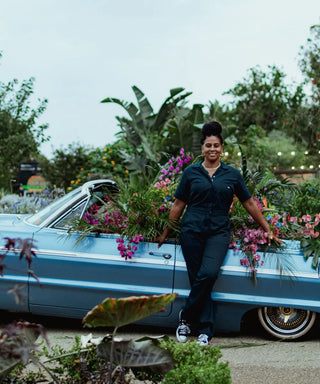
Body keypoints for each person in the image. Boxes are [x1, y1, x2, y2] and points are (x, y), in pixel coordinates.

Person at [157, 121, 281, 346]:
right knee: (197, 278)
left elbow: (250, 203)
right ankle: (205, 330)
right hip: (191, 232)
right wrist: (166, 232)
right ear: (202, 148)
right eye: (208, 145)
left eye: (216, 145)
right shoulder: (191, 173)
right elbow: (178, 204)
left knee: (209, 274)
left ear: (222, 147)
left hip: (218, 233)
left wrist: (267, 228)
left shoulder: (231, 174)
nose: (212, 149)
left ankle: (185, 318)